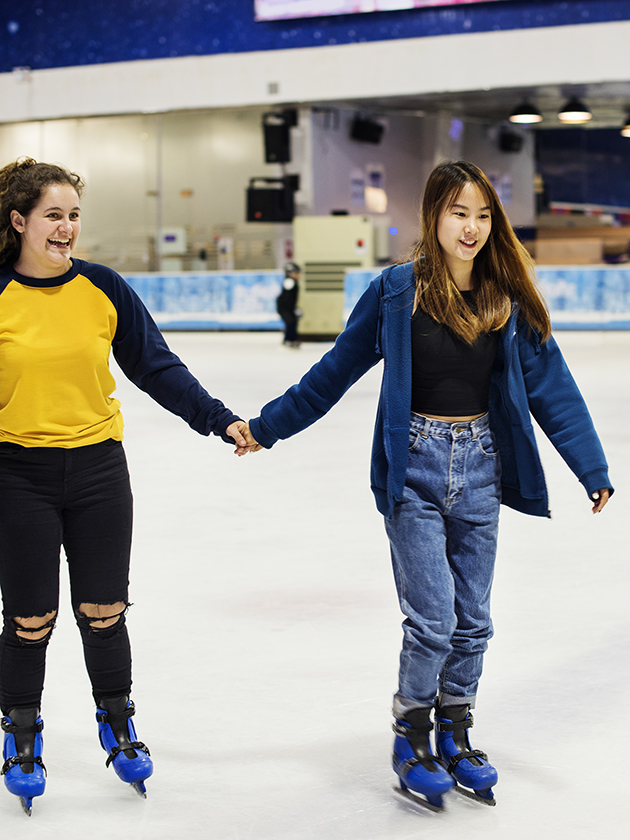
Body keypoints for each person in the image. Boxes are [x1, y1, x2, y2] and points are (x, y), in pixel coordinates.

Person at [236, 160, 613, 810]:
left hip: (482, 466)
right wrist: (266, 427)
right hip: (415, 468)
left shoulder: (503, 300)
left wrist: (592, 468)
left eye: (482, 215)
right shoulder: (396, 292)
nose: (470, 228)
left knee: (474, 624)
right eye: (458, 213)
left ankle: (456, 731)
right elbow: (332, 372)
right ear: (433, 216)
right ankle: (412, 733)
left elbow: (553, 387)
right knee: (434, 620)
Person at [0, 158, 249, 815]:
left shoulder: (103, 287)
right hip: (16, 474)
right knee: (30, 620)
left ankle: (118, 718)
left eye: (74, 215)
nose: (67, 228)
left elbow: (156, 366)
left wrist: (217, 417)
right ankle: (21, 732)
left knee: (104, 613)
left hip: (99, 471)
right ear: (19, 220)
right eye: (53, 215)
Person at [276, 261, 301, 347]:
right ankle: (288, 339)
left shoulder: (292, 282)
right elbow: (287, 298)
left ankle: (292, 338)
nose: (298, 275)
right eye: (296, 272)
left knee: (293, 322)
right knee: (290, 322)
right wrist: (290, 310)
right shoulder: (289, 282)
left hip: (288, 308)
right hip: (285, 308)